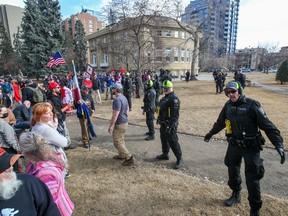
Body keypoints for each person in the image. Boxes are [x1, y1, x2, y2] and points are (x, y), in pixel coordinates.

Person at [204, 81, 286, 216]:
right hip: (234, 145)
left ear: (239, 91)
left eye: (233, 91)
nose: (230, 95)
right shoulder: (228, 106)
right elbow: (220, 123)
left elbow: (268, 126)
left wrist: (279, 144)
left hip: (251, 147)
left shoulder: (252, 105)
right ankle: (236, 193)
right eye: (228, 92)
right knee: (232, 170)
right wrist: (210, 133)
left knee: (252, 178)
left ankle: (255, 208)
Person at [19, 132, 74, 216]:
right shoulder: (36, 161)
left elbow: (51, 202)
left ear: (25, 152)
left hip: (58, 211)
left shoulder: (45, 174)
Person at [0, 147, 61, 215]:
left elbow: (50, 211)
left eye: (9, 163)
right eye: (2, 167)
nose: (10, 168)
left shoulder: (29, 183)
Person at [30, 102, 68, 176]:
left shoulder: (36, 125)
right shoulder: (45, 129)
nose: (51, 114)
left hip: (45, 158)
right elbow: (64, 142)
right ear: (39, 116)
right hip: (52, 159)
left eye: (51, 111)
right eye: (47, 113)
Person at [156, 80, 183, 169]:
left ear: (169, 88)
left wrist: (169, 126)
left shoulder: (174, 99)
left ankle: (179, 158)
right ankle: (165, 154)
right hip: (163, 124)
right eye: (163, 88)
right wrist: (159, 118)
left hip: (170, 125)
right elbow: (160, 109)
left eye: (165, 88)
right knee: (163, 139)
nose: (164, 89)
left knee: (173, 141)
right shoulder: (165, 98)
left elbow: (175, 116)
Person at [108, 83, 134, 166]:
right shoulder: (124, 97)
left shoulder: (117, 100)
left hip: (120, 123)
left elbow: (115, 114)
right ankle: (121, 155)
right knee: (121, 140)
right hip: (124, 122)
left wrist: (111, 126)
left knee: (117, 142)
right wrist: (126, 118)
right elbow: (126, 110)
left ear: (116, 89)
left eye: (113, 88)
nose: (112, 90)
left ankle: (129, 157)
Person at [47, 81, 75, 150]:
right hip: (59, 119)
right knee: (62, 132)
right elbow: (58, 111)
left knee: (65, 131)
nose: (59, 88)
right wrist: (68, 106)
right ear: (53, 89)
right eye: (57, 87)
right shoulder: (54, 99)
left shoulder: (56, 96)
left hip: (61, 117)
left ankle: (67, 144)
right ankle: (64, 146)